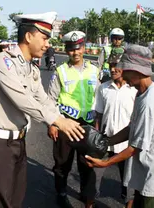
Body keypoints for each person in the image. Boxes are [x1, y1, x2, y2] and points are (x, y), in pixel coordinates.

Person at [0, 12, 85, 208]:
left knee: (16, 200)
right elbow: (22, 99)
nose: (47, 44)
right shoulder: (3, 60)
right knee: (2, 203)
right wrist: (57, 121)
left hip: (18, 141)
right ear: (28, 37)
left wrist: (63, 119)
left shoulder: (31, 69)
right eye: (44, 38)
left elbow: (43, 99)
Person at [85, 44, 154, 208]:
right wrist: (106, 142)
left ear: (137, 71)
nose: (122, 74)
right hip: (146, 176)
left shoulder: (150, 102)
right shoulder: (142, 94)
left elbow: (135, 147)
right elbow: (131, 128)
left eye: (125, 70)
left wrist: (105, 163)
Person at [47, 31, 101, 208]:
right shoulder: (60, 71)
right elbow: (51, 99)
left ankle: (86, 194)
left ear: (84, 48)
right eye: (71, 49)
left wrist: (98, 122)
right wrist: (52, 123)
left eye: (78, 49)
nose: (75, 53)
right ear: (66, 50)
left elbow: (99, 97)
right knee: (62, 162)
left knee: (87, 162)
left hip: (87, 123)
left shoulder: (94, 70)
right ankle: (61, 192)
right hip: (65, 122)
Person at [94, 48, 137, 208]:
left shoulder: (134, 90)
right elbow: (98, 115)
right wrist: (97, 139)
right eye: (111, 64)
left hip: (127, 145)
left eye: (116, 65)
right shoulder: (103, 88)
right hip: (105, 142)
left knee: (129, 184)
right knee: (94, 178)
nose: (112, 69)